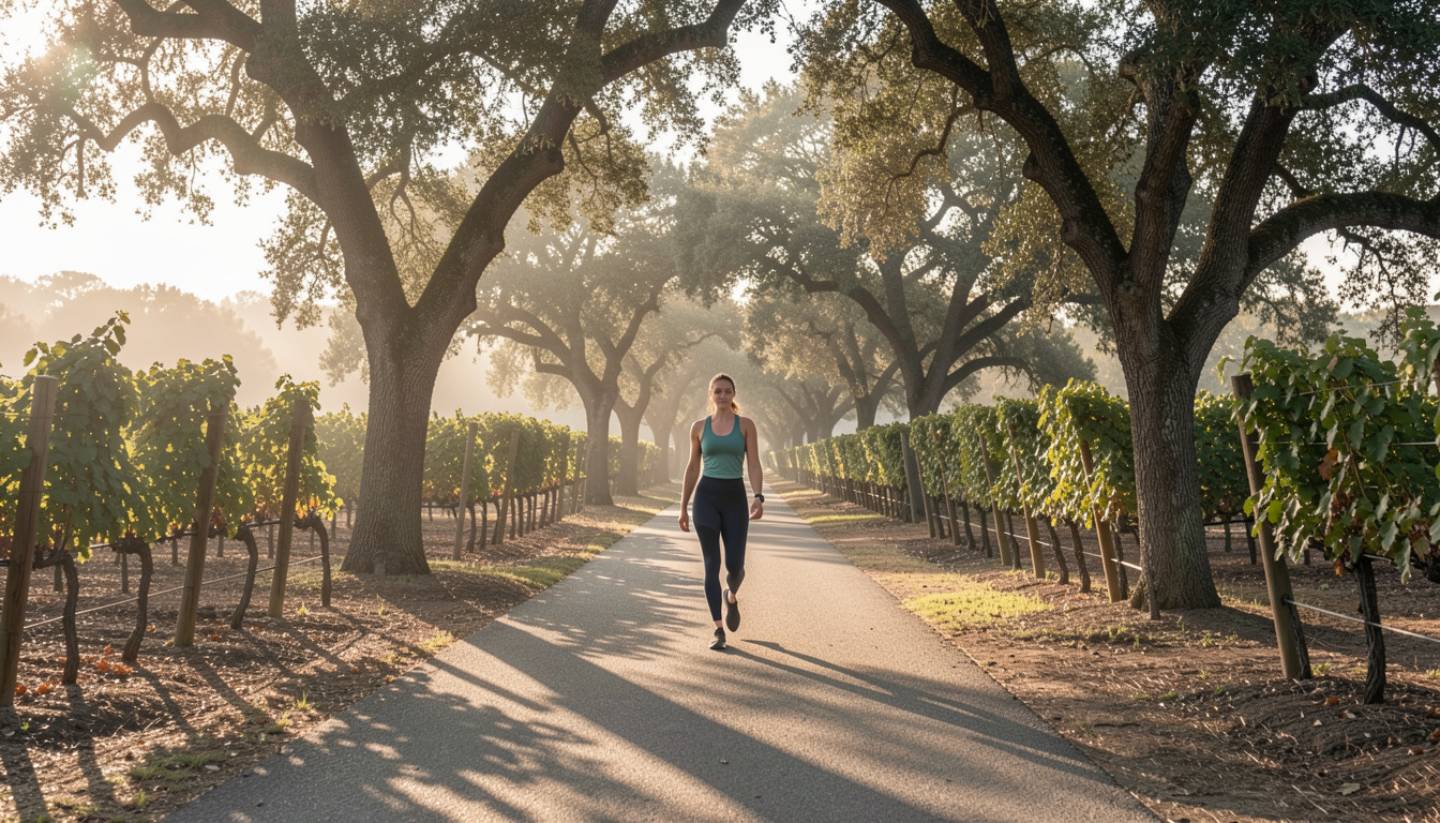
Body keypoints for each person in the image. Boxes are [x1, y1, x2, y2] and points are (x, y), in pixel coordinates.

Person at [679, 373, 764, 651]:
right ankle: (718, 629)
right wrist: (683, 507)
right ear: (711, 395)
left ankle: (732, 595)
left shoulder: (746, 426)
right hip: (706, 498)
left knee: (735, 567)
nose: (723, 396)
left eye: (727, 391)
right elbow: (692, 468)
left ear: (734, 394)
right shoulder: (699, 427)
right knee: (711, 564)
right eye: (718, 391)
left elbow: (754, 464)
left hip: (735, 499)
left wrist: (758, 497)